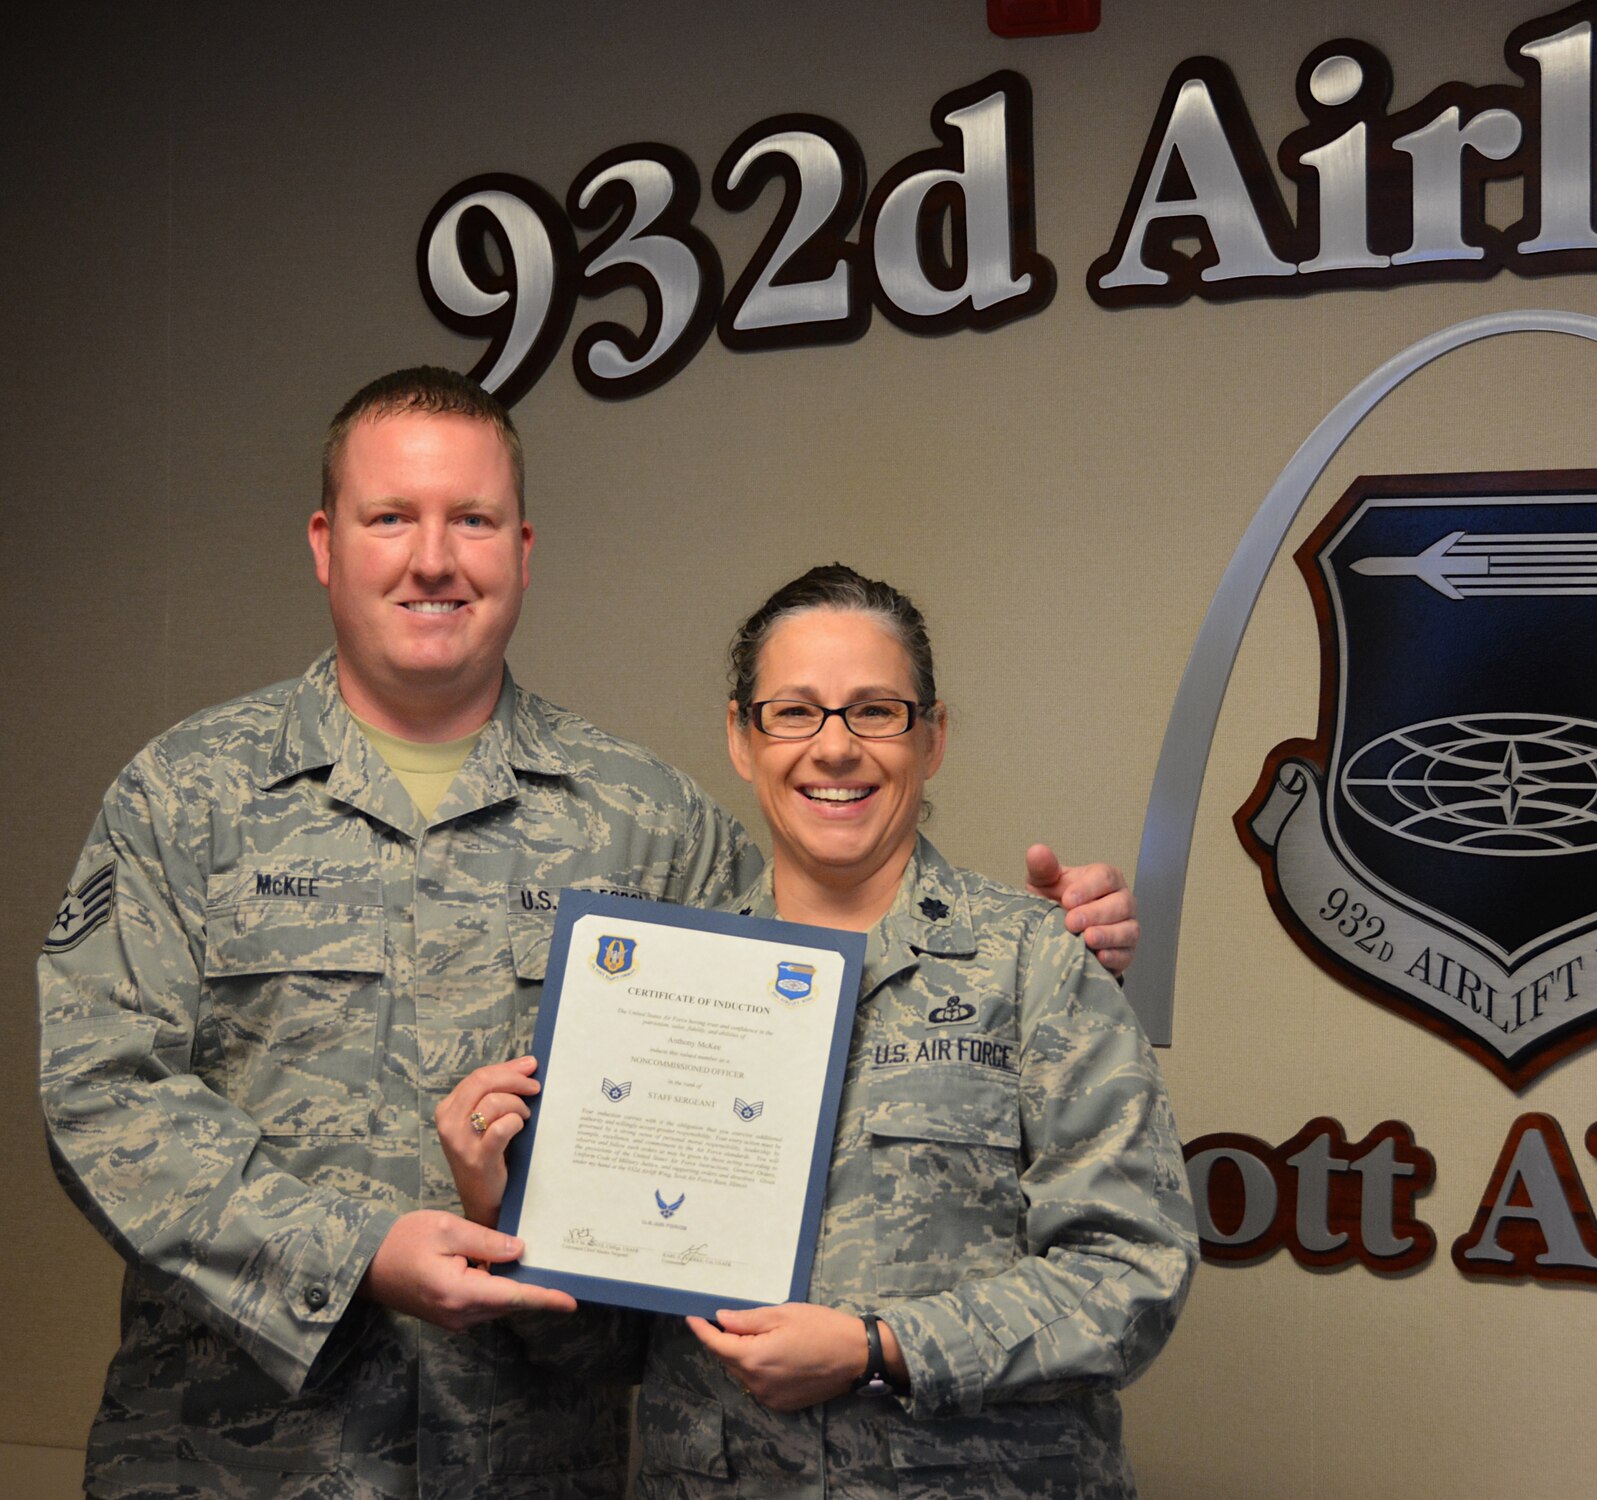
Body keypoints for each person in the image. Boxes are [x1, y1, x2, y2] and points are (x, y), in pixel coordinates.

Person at [37, 370, 1141, 1500]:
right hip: (231, 1457)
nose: (432, 558)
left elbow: (833, 935)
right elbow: (101, 1089)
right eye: (390, 518)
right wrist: (351, 1251)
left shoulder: (650, 822)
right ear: (326, 543)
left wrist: (1045, 949)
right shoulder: (184, 797)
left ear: (521, 547)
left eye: (469, 519)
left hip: (526, 1459)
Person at [440, 564, 1196, 1499]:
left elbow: (1132, 1274)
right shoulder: (661, 989)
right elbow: (606, 1347)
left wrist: (880, 1349)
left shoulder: (1037, 963)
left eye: (875, 711)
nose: (834, 748)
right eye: (794, 712)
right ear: (740, 737)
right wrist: (501, 1211)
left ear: (933, 737)